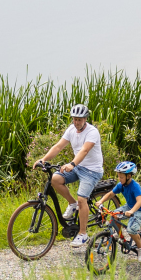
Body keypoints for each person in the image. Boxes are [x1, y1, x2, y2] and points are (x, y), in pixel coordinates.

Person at [32, 102, 104, 245]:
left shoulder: (92, 132)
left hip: (92, 171)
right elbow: (58, 146)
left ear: (85, 119)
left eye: (79, 119)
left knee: (82, 199)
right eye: (74, 119)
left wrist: (72, 164)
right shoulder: (71, 129)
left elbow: (84, 150)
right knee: (55, 179)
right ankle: (72, 204)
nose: (76, 122)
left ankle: (83, 234)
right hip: (79, 167)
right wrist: (44, 159)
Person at [108, 160, 141, 258]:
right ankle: (120, 237)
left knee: (131, 230)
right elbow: (111, 194)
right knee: (114, 215)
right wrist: (100, 201)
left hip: (140, 209)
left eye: (121, 177)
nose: (119, 179)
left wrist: (131, 211)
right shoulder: (121, 185)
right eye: (118, 176)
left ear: (129, 176)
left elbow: (139, 201)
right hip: (129, 206)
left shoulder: (135, 186)